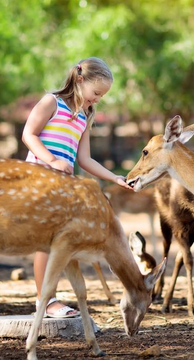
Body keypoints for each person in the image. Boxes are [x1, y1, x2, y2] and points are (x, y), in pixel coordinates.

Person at [22, 57, 132, 318]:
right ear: (80, 80)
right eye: (96, 93)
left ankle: (48, 299)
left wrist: (113, 177)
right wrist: (51, 160)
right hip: (40, 178)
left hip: (62, 186)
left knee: (59, 242)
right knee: (47, 242)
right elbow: (29, 134)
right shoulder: (52, 102)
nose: (97, 99)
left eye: (102, 96)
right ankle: (45, 302)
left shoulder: (84, 115)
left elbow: (85, 159)